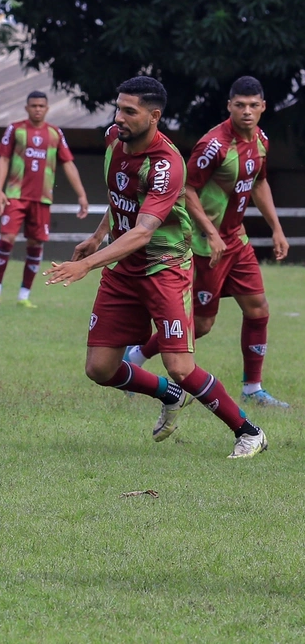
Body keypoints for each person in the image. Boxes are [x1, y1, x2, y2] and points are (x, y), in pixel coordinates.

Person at [45, 76, 267, 459]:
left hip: (163, 269)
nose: (119, 117)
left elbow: (144, 232)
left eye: (130, 111)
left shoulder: (166, 165)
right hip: (122, 268)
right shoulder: (114, 140)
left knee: (180, 364)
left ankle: (249, 432)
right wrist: (99, 236)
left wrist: (89, 265)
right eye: (118, 108)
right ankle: (170, 395)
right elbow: (121, 199)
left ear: (154, 116)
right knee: (100, 368)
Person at [124, 76, 291, 407]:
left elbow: (259, 183)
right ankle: (137, 354)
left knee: (258, 309)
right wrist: (211, 232)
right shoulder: (213, 145)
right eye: (239, 105)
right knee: (200, 325)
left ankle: (253, 388)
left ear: (263, 108)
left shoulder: (261, 140)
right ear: (229, 106)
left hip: (236, 241)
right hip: (204, 245)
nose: (247, 112)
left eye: (253, 105)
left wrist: (276, 228)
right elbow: (187, 189)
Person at [0, 91, 89, 308]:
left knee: (35, 244)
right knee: (7, 239)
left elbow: (68, 163)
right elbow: (3, 159)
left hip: (42, 199)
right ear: (27, 108)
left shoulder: (55, 133)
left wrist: (81, 194)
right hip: (15, 195)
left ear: (47, 108)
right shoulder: (15, 129)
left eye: (41, 106)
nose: (37, 109)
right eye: (33, 105)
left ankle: (24, 296)